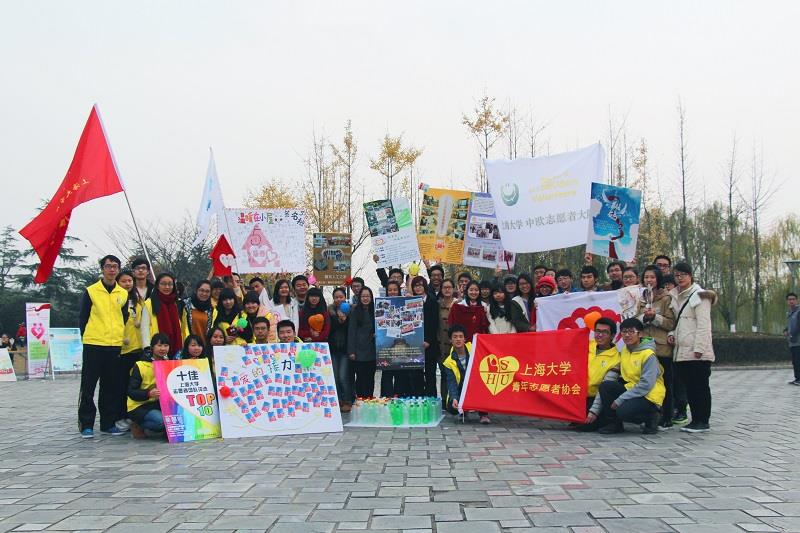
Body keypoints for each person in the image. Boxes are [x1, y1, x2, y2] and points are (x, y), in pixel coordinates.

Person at [78, 254, 129, 438]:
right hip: (94, 344)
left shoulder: (123, 293)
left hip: (114, 345)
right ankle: (86, 424)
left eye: (115, 266)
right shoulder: (91, 291)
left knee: (110, 387)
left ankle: (108, 423)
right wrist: (89, 335)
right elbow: (83, 318)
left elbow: (124, 317)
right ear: (102, 269)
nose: (112, 269)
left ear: (119, 269)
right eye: (108, 266)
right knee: (88, 386)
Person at [669, 262, 717, 433]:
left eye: (683, 274)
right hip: (682, 351)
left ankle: (702, 420)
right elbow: (678, 322)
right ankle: (695, 419)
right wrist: (672, 334)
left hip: (697, 352)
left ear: (690, 276)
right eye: (677, 275)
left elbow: (704, 325)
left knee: (700, 387)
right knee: (690, 387)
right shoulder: (676, 296)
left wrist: (699, 348)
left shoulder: (700, 296)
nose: (680, 278)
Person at [596, 318, 665, 435]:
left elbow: (646, 385)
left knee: (623, 412)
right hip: (632, 388)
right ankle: (614, 424)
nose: (627, 335)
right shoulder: (625, 350)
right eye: (624, 332)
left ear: (640, 334)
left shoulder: (648, 355)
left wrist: (620, 400)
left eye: (631, 332)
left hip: (649, 395)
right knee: (606, 386)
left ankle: (652, 416)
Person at [636, 266, 676, 428]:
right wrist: (644, 317)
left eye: (652, 277)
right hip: (645, 347)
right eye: (646, 277)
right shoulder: (641, 298)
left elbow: (671, 323)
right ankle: (650, 416)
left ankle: (667, 416)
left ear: (658, 279)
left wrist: (655, 317)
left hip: (661, 348)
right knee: (648, 383)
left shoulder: (666, 298)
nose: (649, 280)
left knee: (665, 382)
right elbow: (635, 320)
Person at [578, 318, 620, 432]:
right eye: (597, 331)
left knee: (585, 426)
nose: (599, 335)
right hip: (578, 395)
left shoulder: (616, 359)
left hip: (596, 398)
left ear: (612, 336)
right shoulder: (586, 345)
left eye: (605, 332)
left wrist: (593, 412)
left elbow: (605, 388)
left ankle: (613, 422)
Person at [441, 324, 490, 424]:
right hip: (462, 389)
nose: (458, 339)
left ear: (465, 339)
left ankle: (483, 414)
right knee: (451, 406)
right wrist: (454, 398)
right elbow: (451, 382)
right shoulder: (448, 362)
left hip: (477, 386)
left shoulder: (475, 349)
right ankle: (463, 411)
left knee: (484, 388)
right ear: (450, 340)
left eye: (460, 336)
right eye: (455, 337)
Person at [127, 333, 169, 439]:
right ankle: (138, 426)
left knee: (174, 419)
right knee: (162, 422)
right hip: (139, 405)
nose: (163, 348)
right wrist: (148, 393)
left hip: (158, 403)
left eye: (165, 345)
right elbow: (131, 392)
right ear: (152, 347)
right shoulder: (140, 365)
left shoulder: (168, 364)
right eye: (159, 345)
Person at [115, 270, 142, 433]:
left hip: (137, 348)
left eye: (130, 281)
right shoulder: (116, 299)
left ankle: (132, 415)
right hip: (122, 348)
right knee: (120, 385)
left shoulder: (137, 300)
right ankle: (119, 416)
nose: (127, 284)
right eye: (124, 281)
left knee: (134, 384)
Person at [141, 272, 187, 358]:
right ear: (157, 286)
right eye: (163, 284)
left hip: (176, 347)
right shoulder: (150, 303)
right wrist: (147, 347)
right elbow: (144, 327)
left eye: (170, 284)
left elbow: (184, 327)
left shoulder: (178, 303)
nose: (167, 287)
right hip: (157, 348)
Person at [410, 276, 441, 397]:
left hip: (430, 344)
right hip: (414, 344)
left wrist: (428, 340)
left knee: (430, 374)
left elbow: (434, 323)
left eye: (420, 285)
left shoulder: (432, 301)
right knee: (416, 374)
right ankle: (418, 398)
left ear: (425, 286)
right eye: (415, 286)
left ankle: (431, 399)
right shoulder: (410, 301)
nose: (418, 288)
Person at [348, 287, 377, 398]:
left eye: (367, 296)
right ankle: (360, 400)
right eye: (363, 296)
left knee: (370, 378)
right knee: (360, 378)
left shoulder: (376, 310)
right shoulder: (355, 311)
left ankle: (369, 400)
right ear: (359, 298)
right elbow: (351, 332)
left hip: (372, 350)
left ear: (371, 297)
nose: (365, 298)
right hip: (359, 350)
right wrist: (351, 351)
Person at [328, 287, 352, 412]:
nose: (338, 299)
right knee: (335, 377)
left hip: (345, 350)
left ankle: (347, 400)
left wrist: (345, 320)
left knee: (343, 377)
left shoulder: (350, 311)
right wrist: (338, 320)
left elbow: (352, 330)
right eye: (336, 297)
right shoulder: (330, 312)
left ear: (345, 297)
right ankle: (338, 400)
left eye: (341, 297)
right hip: (333, 349)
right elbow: (329, 329)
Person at [786, 292, 800, 385]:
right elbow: (790, 325)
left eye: (793, 299)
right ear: (787, 301)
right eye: (789, 299)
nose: (791, 301)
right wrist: (786, 330)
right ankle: (797, 378)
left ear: (797, 300)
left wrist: (792, 334)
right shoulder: (790, 312)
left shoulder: (799, 311)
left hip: (798, 340)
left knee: (798, 360)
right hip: (792, 341)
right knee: (795, 361)